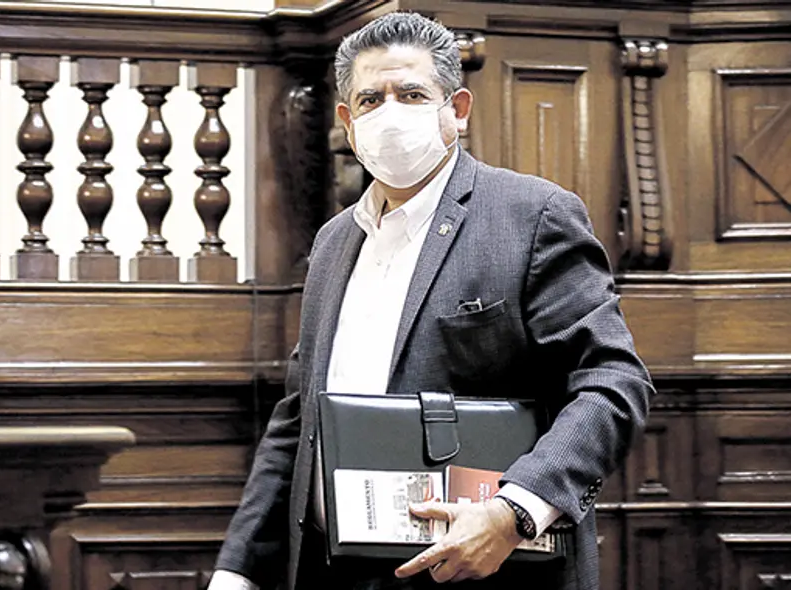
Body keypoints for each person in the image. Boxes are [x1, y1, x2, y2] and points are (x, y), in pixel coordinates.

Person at [208, 11, 653, 590]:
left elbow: (613, 382)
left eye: (412, 94)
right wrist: (237, 571)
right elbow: (299, 416)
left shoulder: (531, 215)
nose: (389, 112)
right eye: (371, 99)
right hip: (332, 571)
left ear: (457, 109)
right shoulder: (334, 242)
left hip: (481, 573)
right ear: (347, 121)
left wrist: (515, 511)